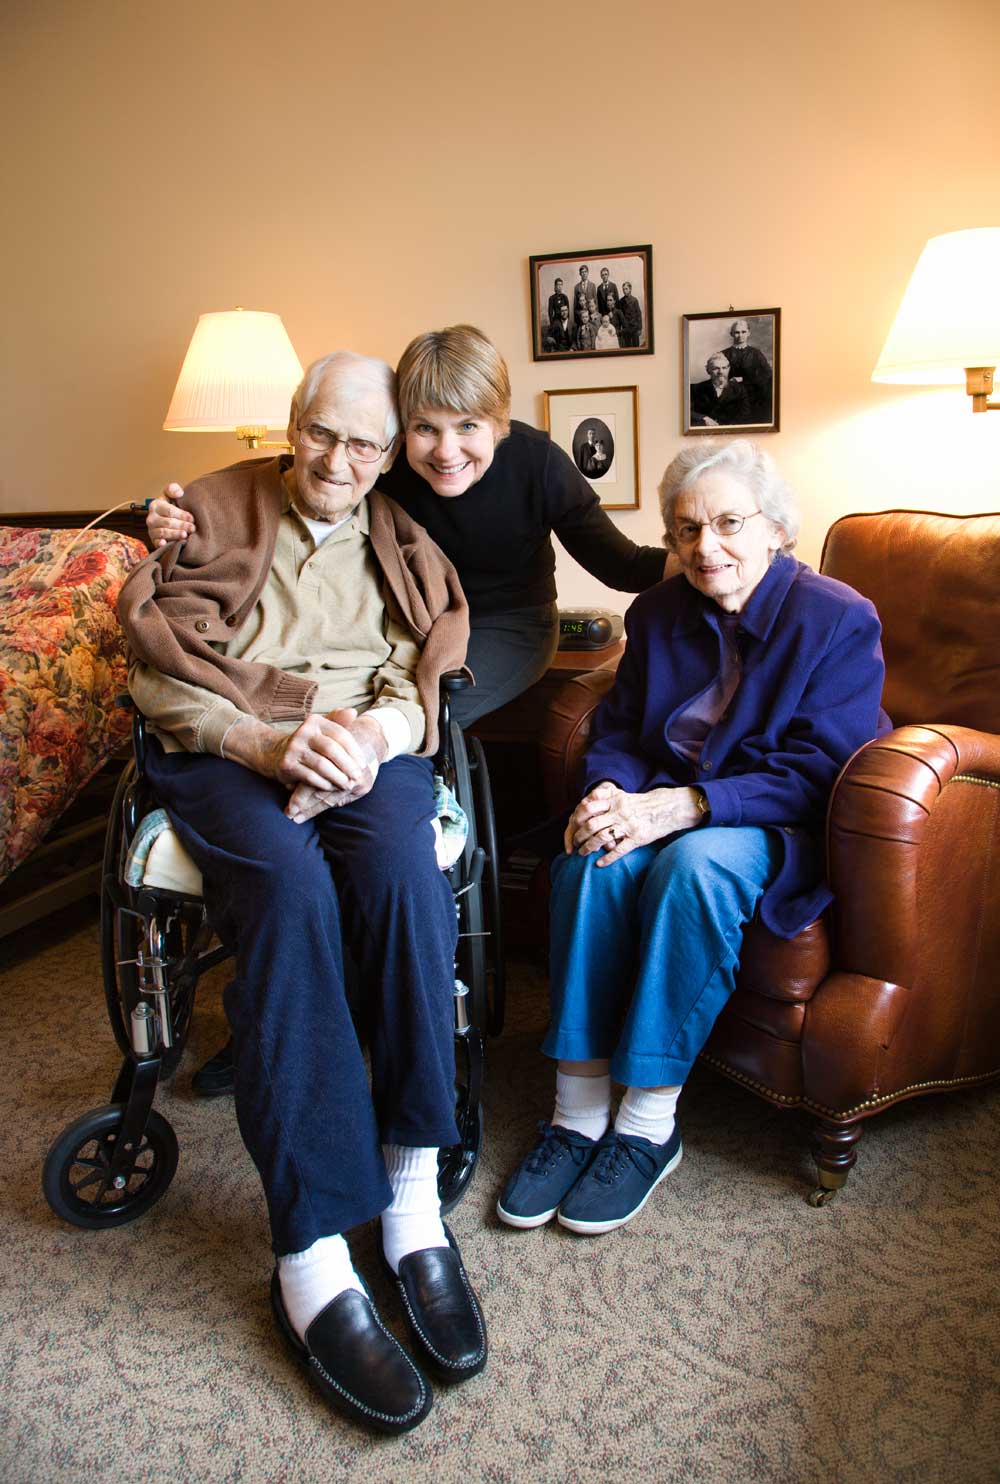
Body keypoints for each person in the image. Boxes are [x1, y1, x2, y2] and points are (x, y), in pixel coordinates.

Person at [120, 351, 487, 1435]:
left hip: (361, 746)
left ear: (387, 455)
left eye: (364, 444)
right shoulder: (213, 508)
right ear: (292, 424)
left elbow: (418, 671)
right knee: (284, 889)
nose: (339, 459)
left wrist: (368, 737)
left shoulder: (400, 534)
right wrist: (266, 740)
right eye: (322, 434)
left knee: (401, 871)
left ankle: (411, 1190)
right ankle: (313, 1245)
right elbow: (155, 662)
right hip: (232, 743)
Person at [497, 438, 889, 1236]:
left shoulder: (839, 619)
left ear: (776, 529)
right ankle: (576, 1113)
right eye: (685, 530)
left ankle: (647, 1124)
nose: (705, 548)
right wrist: (608, 791)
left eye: (728, 523)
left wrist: (685, 807)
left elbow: (821, 767)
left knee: (694, 870)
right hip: (662, 801)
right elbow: (620, 730)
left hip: (769, 821)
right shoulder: (657, 613)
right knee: (589, 863)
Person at [146, 325, 668, 730]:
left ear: (500, 425)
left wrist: (708, 554)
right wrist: (177, 510)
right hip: (404, 619)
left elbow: (621, 565)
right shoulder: (378, 464)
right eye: (425, 428)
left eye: (468, 426)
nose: (446, 451)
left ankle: (434, 815)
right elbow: (287, 473)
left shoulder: (539, 465)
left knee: (434, 699)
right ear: (398, 435)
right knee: (358, 694)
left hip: (505, 623)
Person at [723, 319, 773, 424]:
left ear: (748, 333)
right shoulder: (723, 354)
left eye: (743, 332)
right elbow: (716, 376)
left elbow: (767, 375)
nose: (740, 335)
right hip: (730, 398)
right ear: (731, 334)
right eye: (737, 332)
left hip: (753, 398)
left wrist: (744, 379)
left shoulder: (756, 354)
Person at [690, 352, 751, 427]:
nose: (721, 372)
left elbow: (745, 414)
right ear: (708, 370)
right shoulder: (695, 388)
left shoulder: (739, 390)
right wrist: (704, 418)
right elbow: (687, 412)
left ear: (729, 369)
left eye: (724, 368)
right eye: (716, 368)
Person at [617, 282, 643, 348]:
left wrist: (640, 328)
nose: (624, 291)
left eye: (626, 289)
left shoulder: (634, 300)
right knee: (627, 346)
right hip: (626, 328)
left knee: (635, 346)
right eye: (623, 289)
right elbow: (620, 315)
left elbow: (638, 314)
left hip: (634, 327)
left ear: (630, 289)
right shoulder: (621, 301)